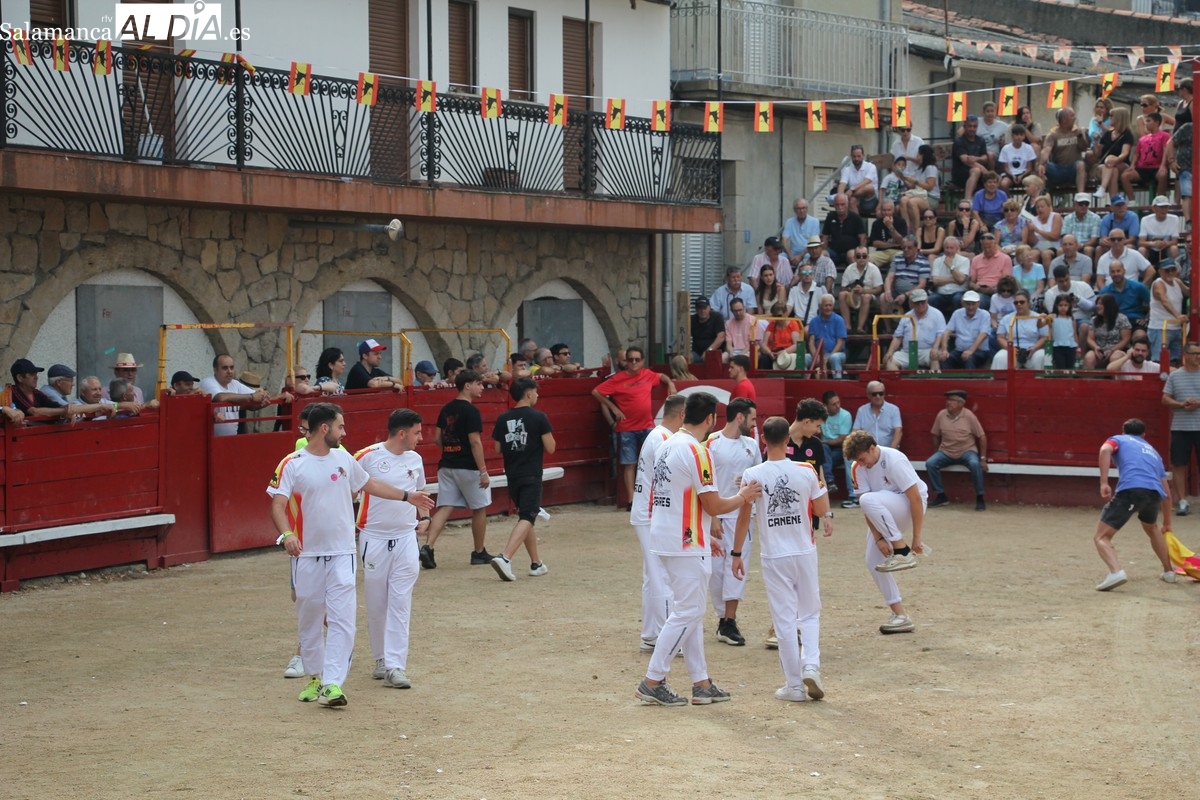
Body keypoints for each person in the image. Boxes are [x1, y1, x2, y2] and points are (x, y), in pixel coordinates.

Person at [268, 402, 435, 708]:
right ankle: (315, 676)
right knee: (310, 615)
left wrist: (407, 496)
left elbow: (369, 484)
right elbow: (277, 504)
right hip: (307, 553)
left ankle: (333, 683)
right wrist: (287, 534)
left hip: (343, 552)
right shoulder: (292, 463)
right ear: (325, 429)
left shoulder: (344, 458)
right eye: (340, 426)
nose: (344, 432)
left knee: (343, 619)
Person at [634, 392, 761, 707]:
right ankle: (653, 680)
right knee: (688, 611)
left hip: (668, 535)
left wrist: (707, 535)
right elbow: (713, 504)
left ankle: (700, 682)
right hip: (685, 540)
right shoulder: (696, 450)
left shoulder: (667, 444)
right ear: (710, 419)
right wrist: (743, 496)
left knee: (687, 609)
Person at [730, 415, 831, 703]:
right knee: (809, 613)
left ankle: (794, 685)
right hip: (803, 550)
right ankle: (811, 664)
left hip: (774, 554)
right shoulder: (805, 470)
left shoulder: (753, 474)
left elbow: (743, 519)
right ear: (788, 440)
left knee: (784, 619)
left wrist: (736, 553)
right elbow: (821, 509)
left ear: (764, 440)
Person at [352, 409, 435, 689]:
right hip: (374, 538)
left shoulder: (415, 459)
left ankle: (395, 666)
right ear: (402, 433)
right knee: (377, 601)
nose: (420, 438)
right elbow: (346, 490)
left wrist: (425, 518)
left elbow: (421, 494)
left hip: (405, 537)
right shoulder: (366, 456)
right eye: (417, 433)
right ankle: (380, 659)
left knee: (400, 601)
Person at [842, 430, 928, 634]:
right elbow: (867, 507)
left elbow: (915, 498)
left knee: (868, 499)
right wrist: (879, 538)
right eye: (857, 461)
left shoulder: (894, 459)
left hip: (909, 505)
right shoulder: (857, 467)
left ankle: (902, 551)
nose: (861, 464)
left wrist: (916, 538)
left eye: (862, 458)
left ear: (872, 448)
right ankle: (900, 616)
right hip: (883, 511)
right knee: (873, 560)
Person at [420, 369, 494, 569]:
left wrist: (451, 452)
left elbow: (437, 438)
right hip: (468, 467)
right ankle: (479, 552)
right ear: (467, 386)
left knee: (445, 506)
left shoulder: (446, 408)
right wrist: (483, 471)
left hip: (447, 465)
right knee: (479, 507)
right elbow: (475, 442)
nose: (482, 388)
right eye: (478, 384)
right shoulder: (471, 411)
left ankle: (428, 546)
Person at [1092, 418, 1176, 591]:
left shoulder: (1118, 439)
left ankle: (1116, 572)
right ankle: (1169, 572)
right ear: (1144, 435)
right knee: (1152, 528)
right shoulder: (1154, 453)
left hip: (1131, 490)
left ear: (1123, 431)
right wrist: (1167, 522)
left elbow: (1105, 450)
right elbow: (1166, 493)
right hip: (1154, 493)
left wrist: (1104, 483)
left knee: (1101, 537)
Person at [630, 394, 686, 652]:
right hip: (651, 514)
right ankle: (667, 638)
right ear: (682, 415)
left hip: (646, 511)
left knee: (652, 574)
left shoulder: (657, 435)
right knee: (661, 575)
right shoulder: (664, 439)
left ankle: (651, 634)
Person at [705, 397, 761, 647]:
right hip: (718, 514)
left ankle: (729, 620)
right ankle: (722, 618)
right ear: (740, 417)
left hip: (742, 515)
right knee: (717, 570)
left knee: (738, 565)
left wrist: (749, 484)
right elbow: (705, 481)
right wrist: (712, 516)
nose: (754, 423)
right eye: (752, 418)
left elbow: (760, 477)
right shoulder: (712, 442)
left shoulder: (751, 444)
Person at [592, 345, 677, 509]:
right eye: (630, 360)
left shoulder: (647, 374)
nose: (634, 362)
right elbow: (596, 392)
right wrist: (613, 408)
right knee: (629, 464)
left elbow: (662, 376)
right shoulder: (618, 379)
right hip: (627, 428)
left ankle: (652, 496)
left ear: (642, 361)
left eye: (637, 359)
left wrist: (671, 384)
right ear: (626, 362)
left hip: (646, 426)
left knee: (652, 462)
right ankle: (632, 500)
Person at [490, 378, 556, 581]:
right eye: (535, 392)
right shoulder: (539, 417)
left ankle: (536, 563)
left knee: (526, 516)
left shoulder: (503, 418)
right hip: (531, 473)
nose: (537, 395)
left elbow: (497, 448)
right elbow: (551, 447)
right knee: (528, 515)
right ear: (528, 394)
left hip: (512, 474)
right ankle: (505, 557)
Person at [925, 389, 988, 511]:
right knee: (930, 463)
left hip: (967, 451)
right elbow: (935, 435)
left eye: (952, 400)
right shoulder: (941, 414)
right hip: (946, 451)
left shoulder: (969, 416)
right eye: (948, 400)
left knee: (975, 464)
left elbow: (982, 436)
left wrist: (983, 458)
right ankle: (941, 495)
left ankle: (980, 497)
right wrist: (937, 452)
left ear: (961, 403)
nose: (948, 402)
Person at [1161, 341, 1200, 516]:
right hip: (1181, 426)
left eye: (1199, 354)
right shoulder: (1175, 376)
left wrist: (1198, 403)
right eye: (1195, 353)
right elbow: (1165, 399)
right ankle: (1182, 501)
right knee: (1178, 464)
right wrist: (1181, 404)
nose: (1198, 357)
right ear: (1186, 355)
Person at [199, 354, 271, 436]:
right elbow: (221, 397)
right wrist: (251, 397)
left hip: (232, 438)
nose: (229, 371)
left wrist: (266, 397)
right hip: (211, 440)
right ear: (215, 370)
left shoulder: (235, 383)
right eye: (225, 368)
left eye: (232, 367)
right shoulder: (208, 382)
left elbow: (255, 397)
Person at [884, 289, 945, 372]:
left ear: (927, 300)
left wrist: (935, 348)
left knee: (935, 356)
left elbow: (941, 334)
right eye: (917, 302)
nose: (920, 305)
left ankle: (934, 380)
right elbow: (898, 337)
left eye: (922, 302)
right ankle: (899, 380)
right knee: (890, 361)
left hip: (927, 351)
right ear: (912, 303)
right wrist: (890, 352)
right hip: (907, 352)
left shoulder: (937, 314)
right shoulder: (907, 316)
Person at [935, 290, 993, 370]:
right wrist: (944, 350)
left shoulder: (985, 315)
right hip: (959, 351)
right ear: (963, 303)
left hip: (979, 351)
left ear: (978, 304)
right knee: (945, 359)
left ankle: (970, 378)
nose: (971, 307)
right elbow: (947, 332)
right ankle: (947, 378)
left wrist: (970, 351)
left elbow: (983, 334)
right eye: (968, 304)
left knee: (969, 359)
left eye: (973, 304)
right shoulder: (957, 313)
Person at [991, 290, 1048, 370]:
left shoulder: (1038, 318)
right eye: (1016, 303)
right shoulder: (1006, 318)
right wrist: (1010, 348)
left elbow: (1044, 337)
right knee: (999, 357)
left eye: (1022, 302)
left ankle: (1040, 378)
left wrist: (1034, 348)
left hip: (1032, 351)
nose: (1019, 304)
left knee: (1041, 356)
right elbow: (1000, 337)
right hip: (1013, 351)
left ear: (1028, 303)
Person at [1038, 107, 1088, 193]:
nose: (1075, 118)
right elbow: (1046, 150)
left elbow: (1084, 148)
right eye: (1072, 116)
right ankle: (1041, 195)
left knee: (1081, 164)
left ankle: (1081, 195)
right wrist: (1041, 164)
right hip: (1058, 169)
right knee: (1042, 167)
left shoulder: (1077, 132)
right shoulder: (1053, 134)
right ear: (1064, 120)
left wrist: (1080, 135)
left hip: (1073, 169)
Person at [1147, 258, 1187, 365]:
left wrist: (1193, 278)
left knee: (1176, 361)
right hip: (1160, 328)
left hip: (1176, 327)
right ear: (1160, 271)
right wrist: (1178, 315)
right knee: (1159, 361)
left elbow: (1189, 292)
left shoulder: (1177, 281)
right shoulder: (1158, 284)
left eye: (1172, 270)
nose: (1170, 273)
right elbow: (1164, 301)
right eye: (1167, 270)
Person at [1121, 112, 1170, 198]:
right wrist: (1132, 165)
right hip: (1142, 168)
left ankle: (1160, 198)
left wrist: (1163, 165)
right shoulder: (1142, 138)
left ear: (1157, 123)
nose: (1146, 124)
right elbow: (1136, 154)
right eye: (1146, 121)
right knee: (1125, 176)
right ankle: (1132, 200)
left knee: (1163, 175)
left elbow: (1165, 151)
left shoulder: (1164, 136)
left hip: (1157, 167)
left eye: (1149, 121)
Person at [850, 380, 903, 457]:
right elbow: (855, 432)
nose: (878, 397)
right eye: (874, 394)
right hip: (867, 452)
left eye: (881, 393)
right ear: (868, 395)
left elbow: (898, 432)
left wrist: (890, 452)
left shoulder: (893, 410)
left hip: (888, 450)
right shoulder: (862, 411)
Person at [881, 235, 930, 316]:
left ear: (916, 248)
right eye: (904, 248)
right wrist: (888, 291)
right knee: (883, 297)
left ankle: (913, 323)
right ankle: (887, 324)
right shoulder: (897, 258)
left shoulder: (923, 262)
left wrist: (906, 295)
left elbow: (922, 285)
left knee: (913, 298)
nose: (906, 250)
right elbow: (889, 278)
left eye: (909, 248)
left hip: (913, 293)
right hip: (897, 292)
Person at [897, 144, 940, 234]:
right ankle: (907, 228)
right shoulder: (919, 169)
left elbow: (929, 186)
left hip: (930, 197)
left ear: (924, 155)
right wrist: (903, 178)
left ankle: (917, 230)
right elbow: (912, 187)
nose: (917, 157)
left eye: (919, 154)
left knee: (912, 202)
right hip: (918, 194)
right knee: (903, 200)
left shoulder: (931, 168)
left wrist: (915, 181)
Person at [839, 247, 884, 333]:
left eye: (864, 256)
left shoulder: (874, 269)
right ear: (854, 258)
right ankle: (847, 327)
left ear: (868, 257)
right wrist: (850, 289)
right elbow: (843, 288)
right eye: (858, 256)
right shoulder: (849, 269)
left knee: (865, 297)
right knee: (842, 295)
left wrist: (864, 291)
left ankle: (860, 328)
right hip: (853, 297)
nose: (861, 258)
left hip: (870, 298)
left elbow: (879, 289)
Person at [1094, 107, 1134, 202]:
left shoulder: (1127, 135)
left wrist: (1114, 160)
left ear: (1119, 118)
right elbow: (1098, 154)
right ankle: (1114, 201)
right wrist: (1095, 141)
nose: (1110, 118)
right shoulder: (1107, 134)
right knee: (1113, 170)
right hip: (1105, 166)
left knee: (1111, 160)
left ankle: (1102, 188)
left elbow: (1125, 153)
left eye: (1112, 116)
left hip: (1121, 164)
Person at [1083, 293, 1132, 370]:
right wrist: (1095, 347)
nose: (1097, 306)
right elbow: (1090, 338)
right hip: (1099, 350)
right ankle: (1090, 378)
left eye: (1100, 304)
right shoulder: (1094, 320)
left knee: (1115, 357)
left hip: (1117, 350)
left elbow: (1126, 339)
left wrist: (1112, 349)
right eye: (1097, 304)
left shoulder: (1122, 319)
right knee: (1089, 357)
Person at [969, 231, 1014, 310]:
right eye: (984, 247)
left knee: (979, 300)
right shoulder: (976, 259)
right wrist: (975, 286)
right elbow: (971, 282)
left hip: (998, 292)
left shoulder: (1005, 259)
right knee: (970, 299)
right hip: (980, 290)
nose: (987, 250)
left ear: (995, 244)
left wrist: (993, 290)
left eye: (989, 247)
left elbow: (1006, 281)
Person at [805, 295, 847, 378]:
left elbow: (840, 343)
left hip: (835, 353)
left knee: (834, 358)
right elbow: (811, 342)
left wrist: (828, 357)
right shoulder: (814, 321)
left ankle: (837, 380)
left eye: (830, 305)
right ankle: (805, 381)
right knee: (803, 358)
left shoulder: (839, 320)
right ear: (820, 306)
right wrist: (816, 356)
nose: (828, 308)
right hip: (818, 354)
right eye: (826, 305)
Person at [1098, 261, 1151, 328]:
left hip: (1135, 320)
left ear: (1124, 271)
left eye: (1118, 271)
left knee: (1140, 334)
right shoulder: (1105, 292)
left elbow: (1153, 304)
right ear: (1109, 273)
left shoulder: (1138, 287)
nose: (1116, 274)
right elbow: (1100, 310)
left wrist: (1146, 318)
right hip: (1115, 323)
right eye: (1113, 272)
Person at [820, 193, 867, 266]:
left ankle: (857, 273)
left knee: (851, 255)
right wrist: (824, 250)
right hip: (834, 251)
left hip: (851, 251)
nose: (840, 207)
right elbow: (825, 236)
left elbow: (862, 237)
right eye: (837, 204)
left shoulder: (856, 218)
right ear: (834, 205)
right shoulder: (830, 217)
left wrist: (860, 252)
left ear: (847, 204)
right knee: (822, 255)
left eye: (842, 204)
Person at [928, 235, 971, 314]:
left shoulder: (964, 260)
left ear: (957, 249)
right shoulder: (937, 261)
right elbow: (935, 281)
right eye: (947, 248)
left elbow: (961, 279)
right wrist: (954, 279)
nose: (949, 250)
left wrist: (951, 266)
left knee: (957, 299)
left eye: (951, 248)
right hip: (941, 293)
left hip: (958, 292)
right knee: (932, 299)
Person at [952, 115, 990, 201]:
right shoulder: (959, 141)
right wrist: (984, 170)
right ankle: (967, 200)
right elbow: (965, 160)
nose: (972, 129)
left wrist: (977, 158)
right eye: (969, 126)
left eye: (974, 126)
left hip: (979, 174)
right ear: (964, 127)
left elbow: (985, 157)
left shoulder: (980, 140)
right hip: (961, 173)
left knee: (980, 172)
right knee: (976, 170)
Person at [820, 390, 852, 493]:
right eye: (834, 404)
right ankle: (830, 482)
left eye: (838, 402)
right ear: (825, 406)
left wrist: (824, 442)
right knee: (823, 451)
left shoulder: (845, 415)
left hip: (840, 449)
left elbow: (842, 440)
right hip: (825, 449)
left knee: (822, 461)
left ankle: (828, 482)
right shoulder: (821, 415)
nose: (837, 406)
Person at [834, 143, 879, 215]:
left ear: (863, 156)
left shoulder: (871, 167)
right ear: (851, 156)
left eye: (859, 156)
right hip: (854, 199)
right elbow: (842, 184)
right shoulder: (847, 169)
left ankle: (846, 197)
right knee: (852, 201)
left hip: (870, 201)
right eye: (854, 156)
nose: (856, 159)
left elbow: (866, 181)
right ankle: (857, 221)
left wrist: (851, 190)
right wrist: (840, 195)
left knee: (868, 187)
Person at [1139, 196, 1181, 267]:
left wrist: (1165, 243)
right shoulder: (1145, 220)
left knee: (1174, 249)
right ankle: (1144, 271)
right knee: (1142, 250)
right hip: (1151, 249)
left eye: (1166, 207)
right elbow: (1141, 242)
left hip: (1166, 249)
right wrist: (1153, 244)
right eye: (1161, 207)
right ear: (1154, 208)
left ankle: (1174, 270)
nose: (1164, 210)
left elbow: (1175, 241)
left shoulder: (1174, 219)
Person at [760, 302, 802, 370]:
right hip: (773, 352)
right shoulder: (772, 324)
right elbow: (764, 344)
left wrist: (783, 352)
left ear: (785, 313)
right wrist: (769, 352)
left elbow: (797, 345)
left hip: (787, 353)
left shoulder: (793, 324)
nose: (777, 318)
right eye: (775, 316)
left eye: (779, 315)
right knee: (764, 359)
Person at [867, 198, 907, 269]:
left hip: (897, 251)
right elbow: (875, 243)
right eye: (884, 210)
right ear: (881, 211)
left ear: (893, 210)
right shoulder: (876, 223)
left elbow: (901, 241)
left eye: (889, 210)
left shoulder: (901, 221)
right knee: (867, 259)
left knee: (900, 257)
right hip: (882, 252)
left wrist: (890, 226)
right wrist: (892, 245)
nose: (886, 213)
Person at [1025, 195, 1063, 269]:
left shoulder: (1055, 216)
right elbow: (1033, 243)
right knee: (1032, 255)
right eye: (1037, 207)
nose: (1040, 209)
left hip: (1053, 246)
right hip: (1038, 247)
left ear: (1049, 207)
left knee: (1046, 254)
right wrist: (1031, 232)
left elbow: (1055, 236)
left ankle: (1049, 276)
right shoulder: (1033, 220)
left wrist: (1038, 231)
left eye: (1042, 207)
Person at [782, 198, 821, 267]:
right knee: (781, 257)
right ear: (794, 210)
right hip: (793, 252)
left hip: (808, 252)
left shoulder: (814, 221)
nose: (801, 211)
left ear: (807, 209)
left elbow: (813, 242)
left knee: (807, 257)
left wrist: (800, 256)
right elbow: (784, 241)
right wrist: (790, 255)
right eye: (798, 208)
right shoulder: (789, 222)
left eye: (803, 208)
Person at [997, 126, 1037, 192]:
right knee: (1004, 184)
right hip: (1010, 174)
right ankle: (1008, 199)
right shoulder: (1005, 148)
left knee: (1033, 184)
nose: (1019, 137)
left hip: (1024, 174)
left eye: (1021, 135)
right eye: (1016, 135)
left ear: (1024, 136)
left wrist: (1022, 175)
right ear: (1012, 135)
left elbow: (1029, 168)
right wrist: (1012, 176)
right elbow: (1005, 168)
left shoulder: (1028, 148)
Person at [1048, 294, 1080, 370]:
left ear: (1069, 306)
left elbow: (1075, 334)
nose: (1063, 307)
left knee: (1070, 368)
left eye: (1065, 305)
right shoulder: (1053, 317)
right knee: (1060, 368)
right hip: (1057, 347)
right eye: (1060, 305)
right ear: (1056, 306)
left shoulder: (1071, 318)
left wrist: (1078, 348)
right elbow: (1046, 326)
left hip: (1071, 347)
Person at [690, 298, 725, 362]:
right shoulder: (692, 320)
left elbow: (721, 337)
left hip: (714, 352)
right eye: (700, 308)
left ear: (709, 308)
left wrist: (709, 351)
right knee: (686, 358)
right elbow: (684, 335)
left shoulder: (717, 317)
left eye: (704, 308)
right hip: (696, 353)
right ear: (696, 310)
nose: (702, 311)